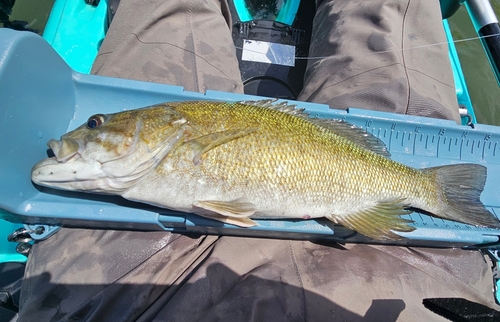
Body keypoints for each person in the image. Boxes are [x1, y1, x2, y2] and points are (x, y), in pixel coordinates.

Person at [17, 0, 498, 320]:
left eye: (97, 124)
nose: (91, 130)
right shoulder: (162, 137)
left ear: (168, 127)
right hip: (411, 286)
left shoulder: (167, 131)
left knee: (166, 10)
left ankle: (431, 190)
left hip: (124, 291)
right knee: (380, 15)